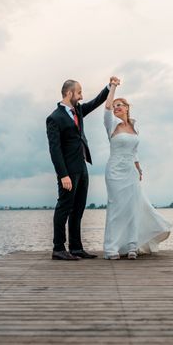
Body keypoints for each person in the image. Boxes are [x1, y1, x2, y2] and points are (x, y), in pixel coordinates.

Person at [46, 78, 115, 260]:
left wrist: (109, 87)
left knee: (78, 208)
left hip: (82, 167)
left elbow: (95, 102)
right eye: (79, 92)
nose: (81, 96)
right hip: (68, 171)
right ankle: (58, 248)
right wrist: (63, 175)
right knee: (64, 207)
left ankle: (76, 248)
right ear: (69, 93)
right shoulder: (54, 118)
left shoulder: (77, 111)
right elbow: (55, 150)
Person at [103, 79, 172, 259]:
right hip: (114, 172)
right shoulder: (112, 125)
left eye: (121, 105)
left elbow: (134, 152)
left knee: (133, 209)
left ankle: (132, 246)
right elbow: (107, 107)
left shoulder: (134, 127)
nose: (117, 107)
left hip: (131, 172)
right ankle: (111, 249)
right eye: (116, 105)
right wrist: (113, 87)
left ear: (127, 108)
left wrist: (138, 168)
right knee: (116, 208)